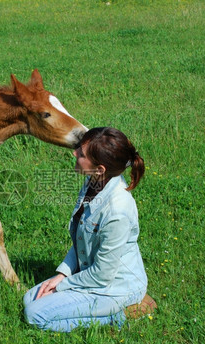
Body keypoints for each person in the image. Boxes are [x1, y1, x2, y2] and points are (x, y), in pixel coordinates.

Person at [23, 127, 157, 332]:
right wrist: (63, 274)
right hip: (92, 275)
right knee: (29, 299)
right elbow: (81, 240)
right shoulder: (93, 182)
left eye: (81, 154)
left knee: (35, 315)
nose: (74, 153)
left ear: (100, 169)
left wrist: (61, 286)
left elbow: (103, 275)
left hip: (114, 288)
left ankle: (122, 314)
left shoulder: (117, 212)